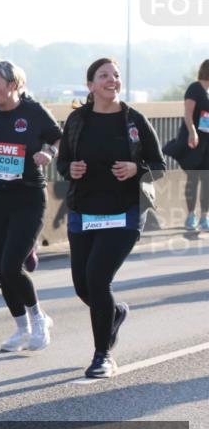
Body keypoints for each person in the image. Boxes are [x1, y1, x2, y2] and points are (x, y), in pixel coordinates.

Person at [56, 58, 166, 378]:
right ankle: (114, 313)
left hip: (124, 213)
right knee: (82, 287)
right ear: (90, 85)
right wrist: (70, 169)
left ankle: (102, 355)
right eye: (104, 76)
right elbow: (63, 163)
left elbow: (158, 166)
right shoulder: (77, 120)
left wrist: (136, 169)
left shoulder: (134, 121)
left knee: (98, 279)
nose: (112, 80)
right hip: (84, 212)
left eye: (115, 75)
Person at [0, 61, 62, 351]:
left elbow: (58, 139)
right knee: (2, 270)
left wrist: (49, 153)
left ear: (13, 85)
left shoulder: (32, 112)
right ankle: (21, 328)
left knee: (11, 265)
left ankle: (39, 318)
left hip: (28, 196)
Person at [182, 59, 209, 231]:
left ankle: (204, 217)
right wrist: (192, 132)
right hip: (194, 141)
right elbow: (188, 113)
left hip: (208, 141)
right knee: (193, 178)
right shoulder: (195, 88)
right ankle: (190, 215)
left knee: (207, 180)